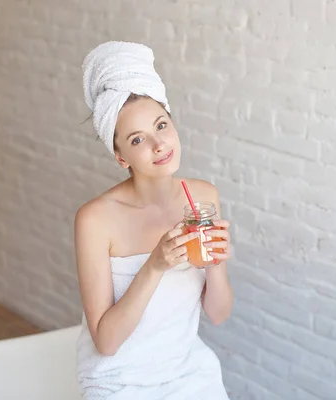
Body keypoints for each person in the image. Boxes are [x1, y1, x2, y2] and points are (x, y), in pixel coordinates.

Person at [74, 41, 234, 399]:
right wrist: (155, 265)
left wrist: (217, 265)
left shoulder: (203, 199)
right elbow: (107, 342)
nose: (159, 145)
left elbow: (219, 315)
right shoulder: (96, 219)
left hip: (186, 373)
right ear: (121, 157)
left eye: (161, 125)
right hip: (117, 380)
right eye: (137, 139)